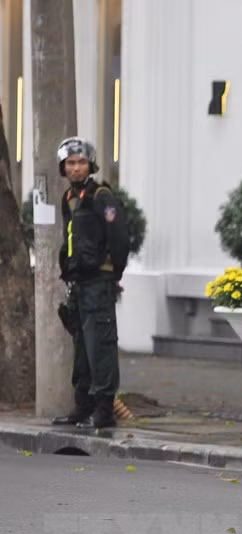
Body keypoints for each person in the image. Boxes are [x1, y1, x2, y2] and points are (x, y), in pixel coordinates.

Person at [51, 137, 129, 429]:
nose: (76, 168)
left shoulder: (101, 197)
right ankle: (82, 408)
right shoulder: (69, 199)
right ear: (63, 167)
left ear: (90, 165)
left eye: (81, 162)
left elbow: (119, 237)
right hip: (79, 284)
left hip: (99, 283)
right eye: (70, 163)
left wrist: (112, 273)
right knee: (82, 350)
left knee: (101, 347)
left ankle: (104, 411)